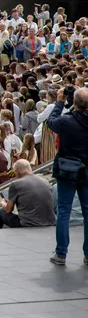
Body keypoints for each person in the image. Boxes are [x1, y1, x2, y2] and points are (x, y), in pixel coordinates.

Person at [46, 88, 88, 266]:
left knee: (64, 211)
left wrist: (60, 101)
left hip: (67, 170)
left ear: (74, 103)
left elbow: (51, 122)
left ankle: (61, 253)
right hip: (86, 171)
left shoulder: (66, 121)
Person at [0, 159, 55, 230]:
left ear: (17, 172)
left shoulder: (15, 184)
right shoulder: (45, 181)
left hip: (27, 224)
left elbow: (8, 210)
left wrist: (3, 203)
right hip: (49, 222)